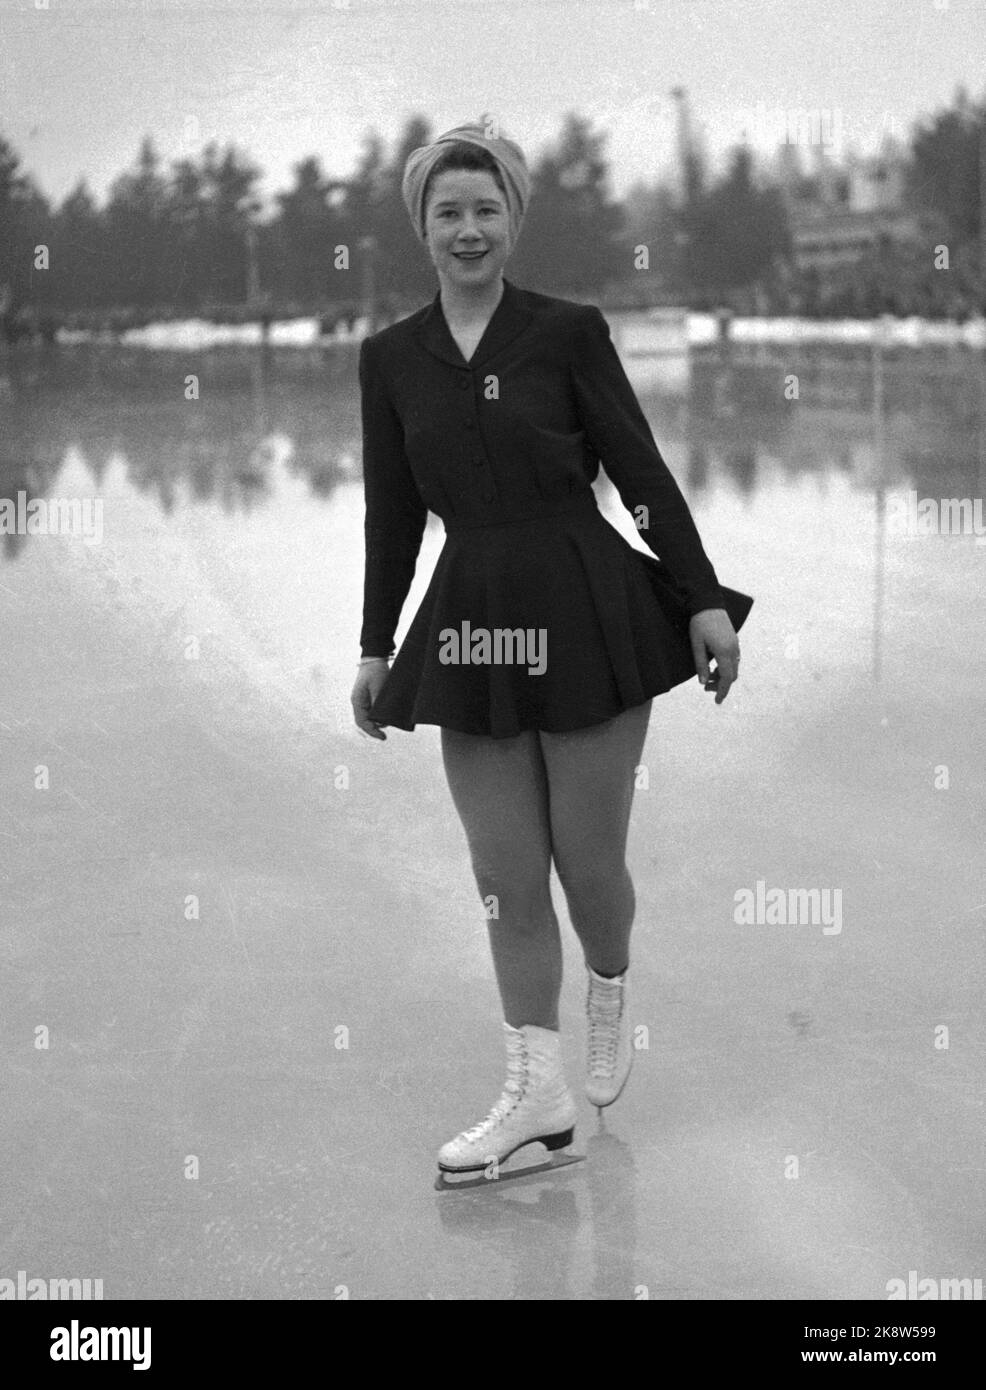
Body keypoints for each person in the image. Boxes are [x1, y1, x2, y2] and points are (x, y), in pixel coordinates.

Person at [350, 121, 752, 1179]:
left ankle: (607, 979)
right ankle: (538, 1094)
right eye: (448, 212)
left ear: (515, 219)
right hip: (469, 620)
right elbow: (391, 514)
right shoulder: (389, 358)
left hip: (586, 608)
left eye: (487, 209)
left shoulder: (566, 333)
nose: (468, 229)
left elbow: (638, 470)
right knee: (502, 874)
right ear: (421, 227)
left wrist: (701, 598)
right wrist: (372, 644)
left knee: (586, 867)